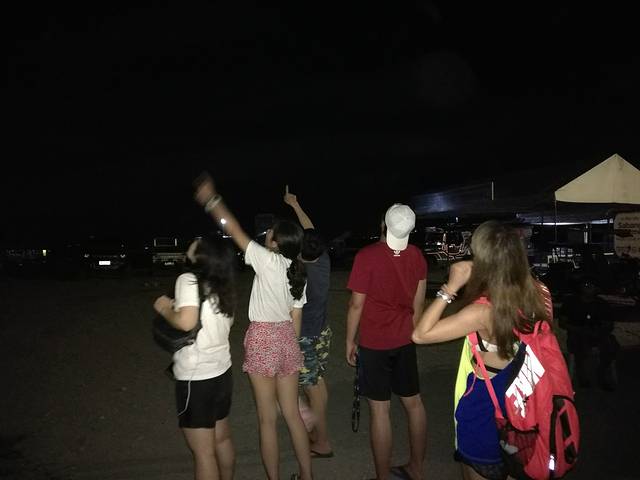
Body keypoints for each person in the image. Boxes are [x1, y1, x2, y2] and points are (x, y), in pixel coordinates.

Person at [193, 173, 313, 480]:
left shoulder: (266, 261)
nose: (267, 232)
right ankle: (307, 476)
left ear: (276, 242)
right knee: (293, 416)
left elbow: (233, 229)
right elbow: (296, 320)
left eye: (271, 231)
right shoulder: (298, 272)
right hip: (287, 339)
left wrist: (212, 201)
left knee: (266, 420)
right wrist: (291, 355)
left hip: (262, 338)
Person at [411, 220, 553, 480]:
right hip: (525, 417)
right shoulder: (539, 294)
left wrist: (450, 288)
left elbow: (420, 334)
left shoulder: (482, 312)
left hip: (486, 418)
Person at [345, 203, 427, 480]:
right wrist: (412, 335)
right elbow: (418, 305)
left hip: (375, 342)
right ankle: (416, 468)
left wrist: (349, 341)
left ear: (384, 225)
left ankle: (383, 476)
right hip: (405, 339)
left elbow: (356, 305)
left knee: (380, 410)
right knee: (414, 404)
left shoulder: (366, 256)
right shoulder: (416, 256)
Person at [153, 233, 237, 480]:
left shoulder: (188, 280)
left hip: (196, 379)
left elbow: (187, 321)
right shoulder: (224, 284)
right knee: (222, 439)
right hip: (222, 374)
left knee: (203, 454)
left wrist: (164, 308)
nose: (191, 244)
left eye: (196, 244)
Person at [284, 187, 333, 458]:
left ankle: (322, 442)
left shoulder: (300, 277)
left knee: (311, 388)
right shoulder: (322, 259)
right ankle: (318, 433)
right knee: (318, 383)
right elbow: (310, 229)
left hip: (305, 337)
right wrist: (295, 204)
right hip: (323, 332)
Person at [560, 277, 619, 390]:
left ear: (596, 289)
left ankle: (601, 373)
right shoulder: (571, 302)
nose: (588, 287)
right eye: (585, 284)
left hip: (597, 333)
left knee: (611, 345)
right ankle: (582, 374)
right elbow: (562, 323)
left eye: (591, 285)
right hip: (577, 332)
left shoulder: (602, 304)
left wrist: (598, 330)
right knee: (578, 345)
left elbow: (609, 324)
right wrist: (578, 329)